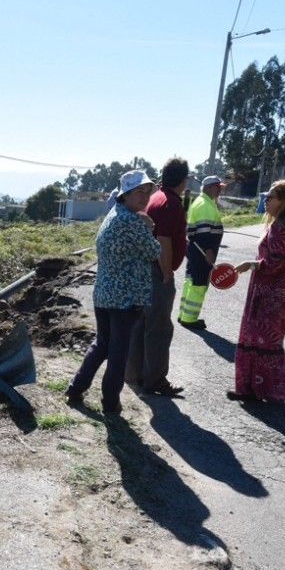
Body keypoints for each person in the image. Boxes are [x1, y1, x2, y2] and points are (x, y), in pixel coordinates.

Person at [66, 170, 161, 416]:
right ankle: (110, 405)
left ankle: (76, 388)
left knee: (102, 346)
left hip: (105, 295)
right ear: (125, 195)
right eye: (138, 192)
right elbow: (154, 252)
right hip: (124, 300)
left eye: (147, 191)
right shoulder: (132, 221)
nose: (144, 196)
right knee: (118, 355)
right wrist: (149, 227)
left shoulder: (114, 214)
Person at [227, 179, 285, 403]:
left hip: (272, 294)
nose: (266, 200)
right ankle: (252, 388)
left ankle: (262, 389)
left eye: (271, 197)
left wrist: (249, 265)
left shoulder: (282, 229)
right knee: (259, 339)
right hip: (272, 292)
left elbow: (274, 263)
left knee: (261, 339)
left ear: (284, 201)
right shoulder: (283, 226)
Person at [126, 157, 188, 396]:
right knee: (159, 328)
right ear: (183, 180)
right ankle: (155, 380)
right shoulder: (170, 203)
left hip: (144, 269)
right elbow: (163, 241)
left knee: (141, 323)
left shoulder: (155, 198)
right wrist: (167, 274)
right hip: (156, 271)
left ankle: (133, 373)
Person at [178, 175, 226, 330]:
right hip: (202, 252)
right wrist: (209, 252)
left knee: (191, 280)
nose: (220, 190)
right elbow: (204, 233)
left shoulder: (202, 201)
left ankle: (184, 314)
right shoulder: (205, 204)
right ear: (210, 187)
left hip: (196, 250)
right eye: (218, 187)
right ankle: (190, 319)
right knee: (199, 283)